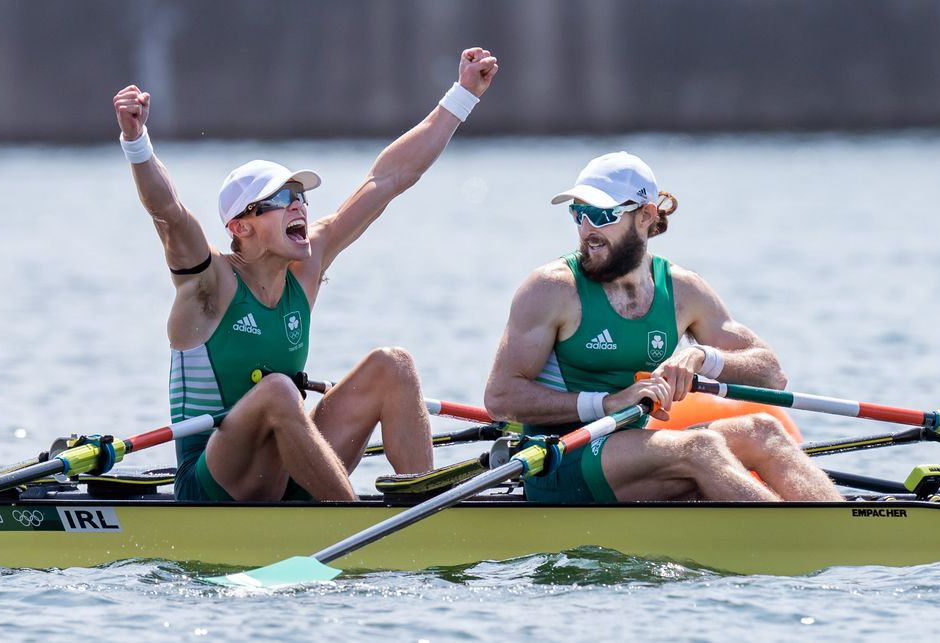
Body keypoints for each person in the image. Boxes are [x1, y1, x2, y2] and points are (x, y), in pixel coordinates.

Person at [113, 47, 498, 503]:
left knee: (393, 365)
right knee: (278, 390)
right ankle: (352, 521)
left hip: (284, 466)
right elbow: (169, 212)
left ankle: (424, 514)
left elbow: (388, 178)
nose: (298, 204)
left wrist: (462, 96)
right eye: (280, 198)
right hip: (214, 482)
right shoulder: (208, 285)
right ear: (241, 226)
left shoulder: (307, 266)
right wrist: (136, 141)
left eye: (299, 195)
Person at [484, 151, 843, 503]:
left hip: (628, 453)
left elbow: (772, 375)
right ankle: (795, 541)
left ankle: (844, 532)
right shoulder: (552, 289)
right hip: (560, 460)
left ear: (646, 215)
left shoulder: (683, 290)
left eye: (602, 214)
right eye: (578, 213)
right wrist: (608, 403)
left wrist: (704, 358)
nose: (587, 229)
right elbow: (500, 399)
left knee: (764, 431)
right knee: (700, 448)